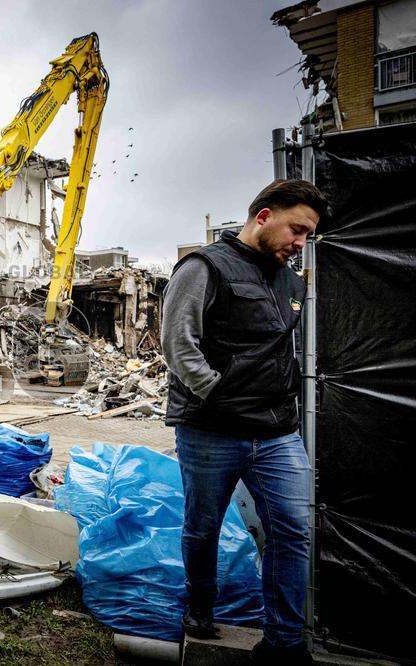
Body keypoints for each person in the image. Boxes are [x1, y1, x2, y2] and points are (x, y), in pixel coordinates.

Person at [162, 179, 326, 664]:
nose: (301, 243)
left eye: (308, 235)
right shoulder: (204, 267)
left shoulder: (289, 279)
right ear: (263, 216)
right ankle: (200, 606)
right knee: (203, 526)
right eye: (297, 229)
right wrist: (217, 394)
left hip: (276, 432)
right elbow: (178, 344)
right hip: (212, 428)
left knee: (293, 530)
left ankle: (283, 646)